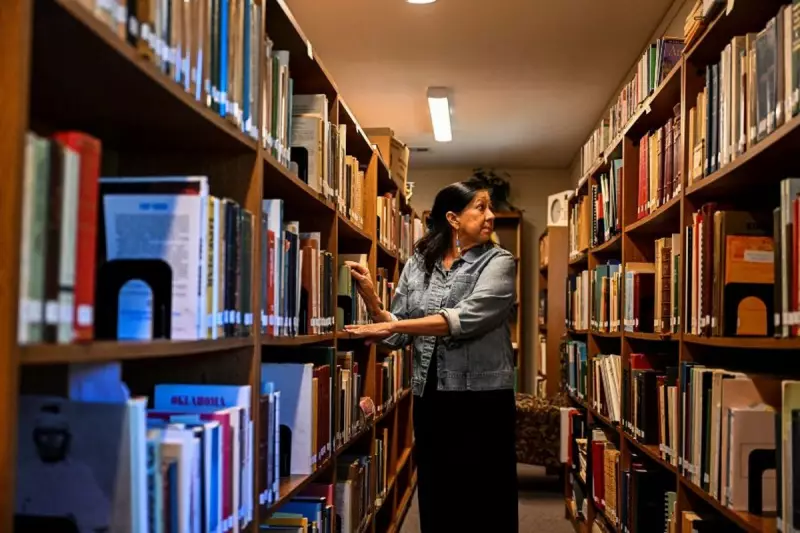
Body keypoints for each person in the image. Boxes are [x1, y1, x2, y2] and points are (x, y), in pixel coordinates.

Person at [344, 179, 519, 532]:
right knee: (439, 495)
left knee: (487, 498)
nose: (491, 216)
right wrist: (374, 304)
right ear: (453, 219)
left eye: (490, 208)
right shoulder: (418, 264)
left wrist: (394, 327)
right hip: (432, 398)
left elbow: (465, 319)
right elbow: (397, 333)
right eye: (481, 207)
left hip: (482, 398)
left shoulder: (499, 263)